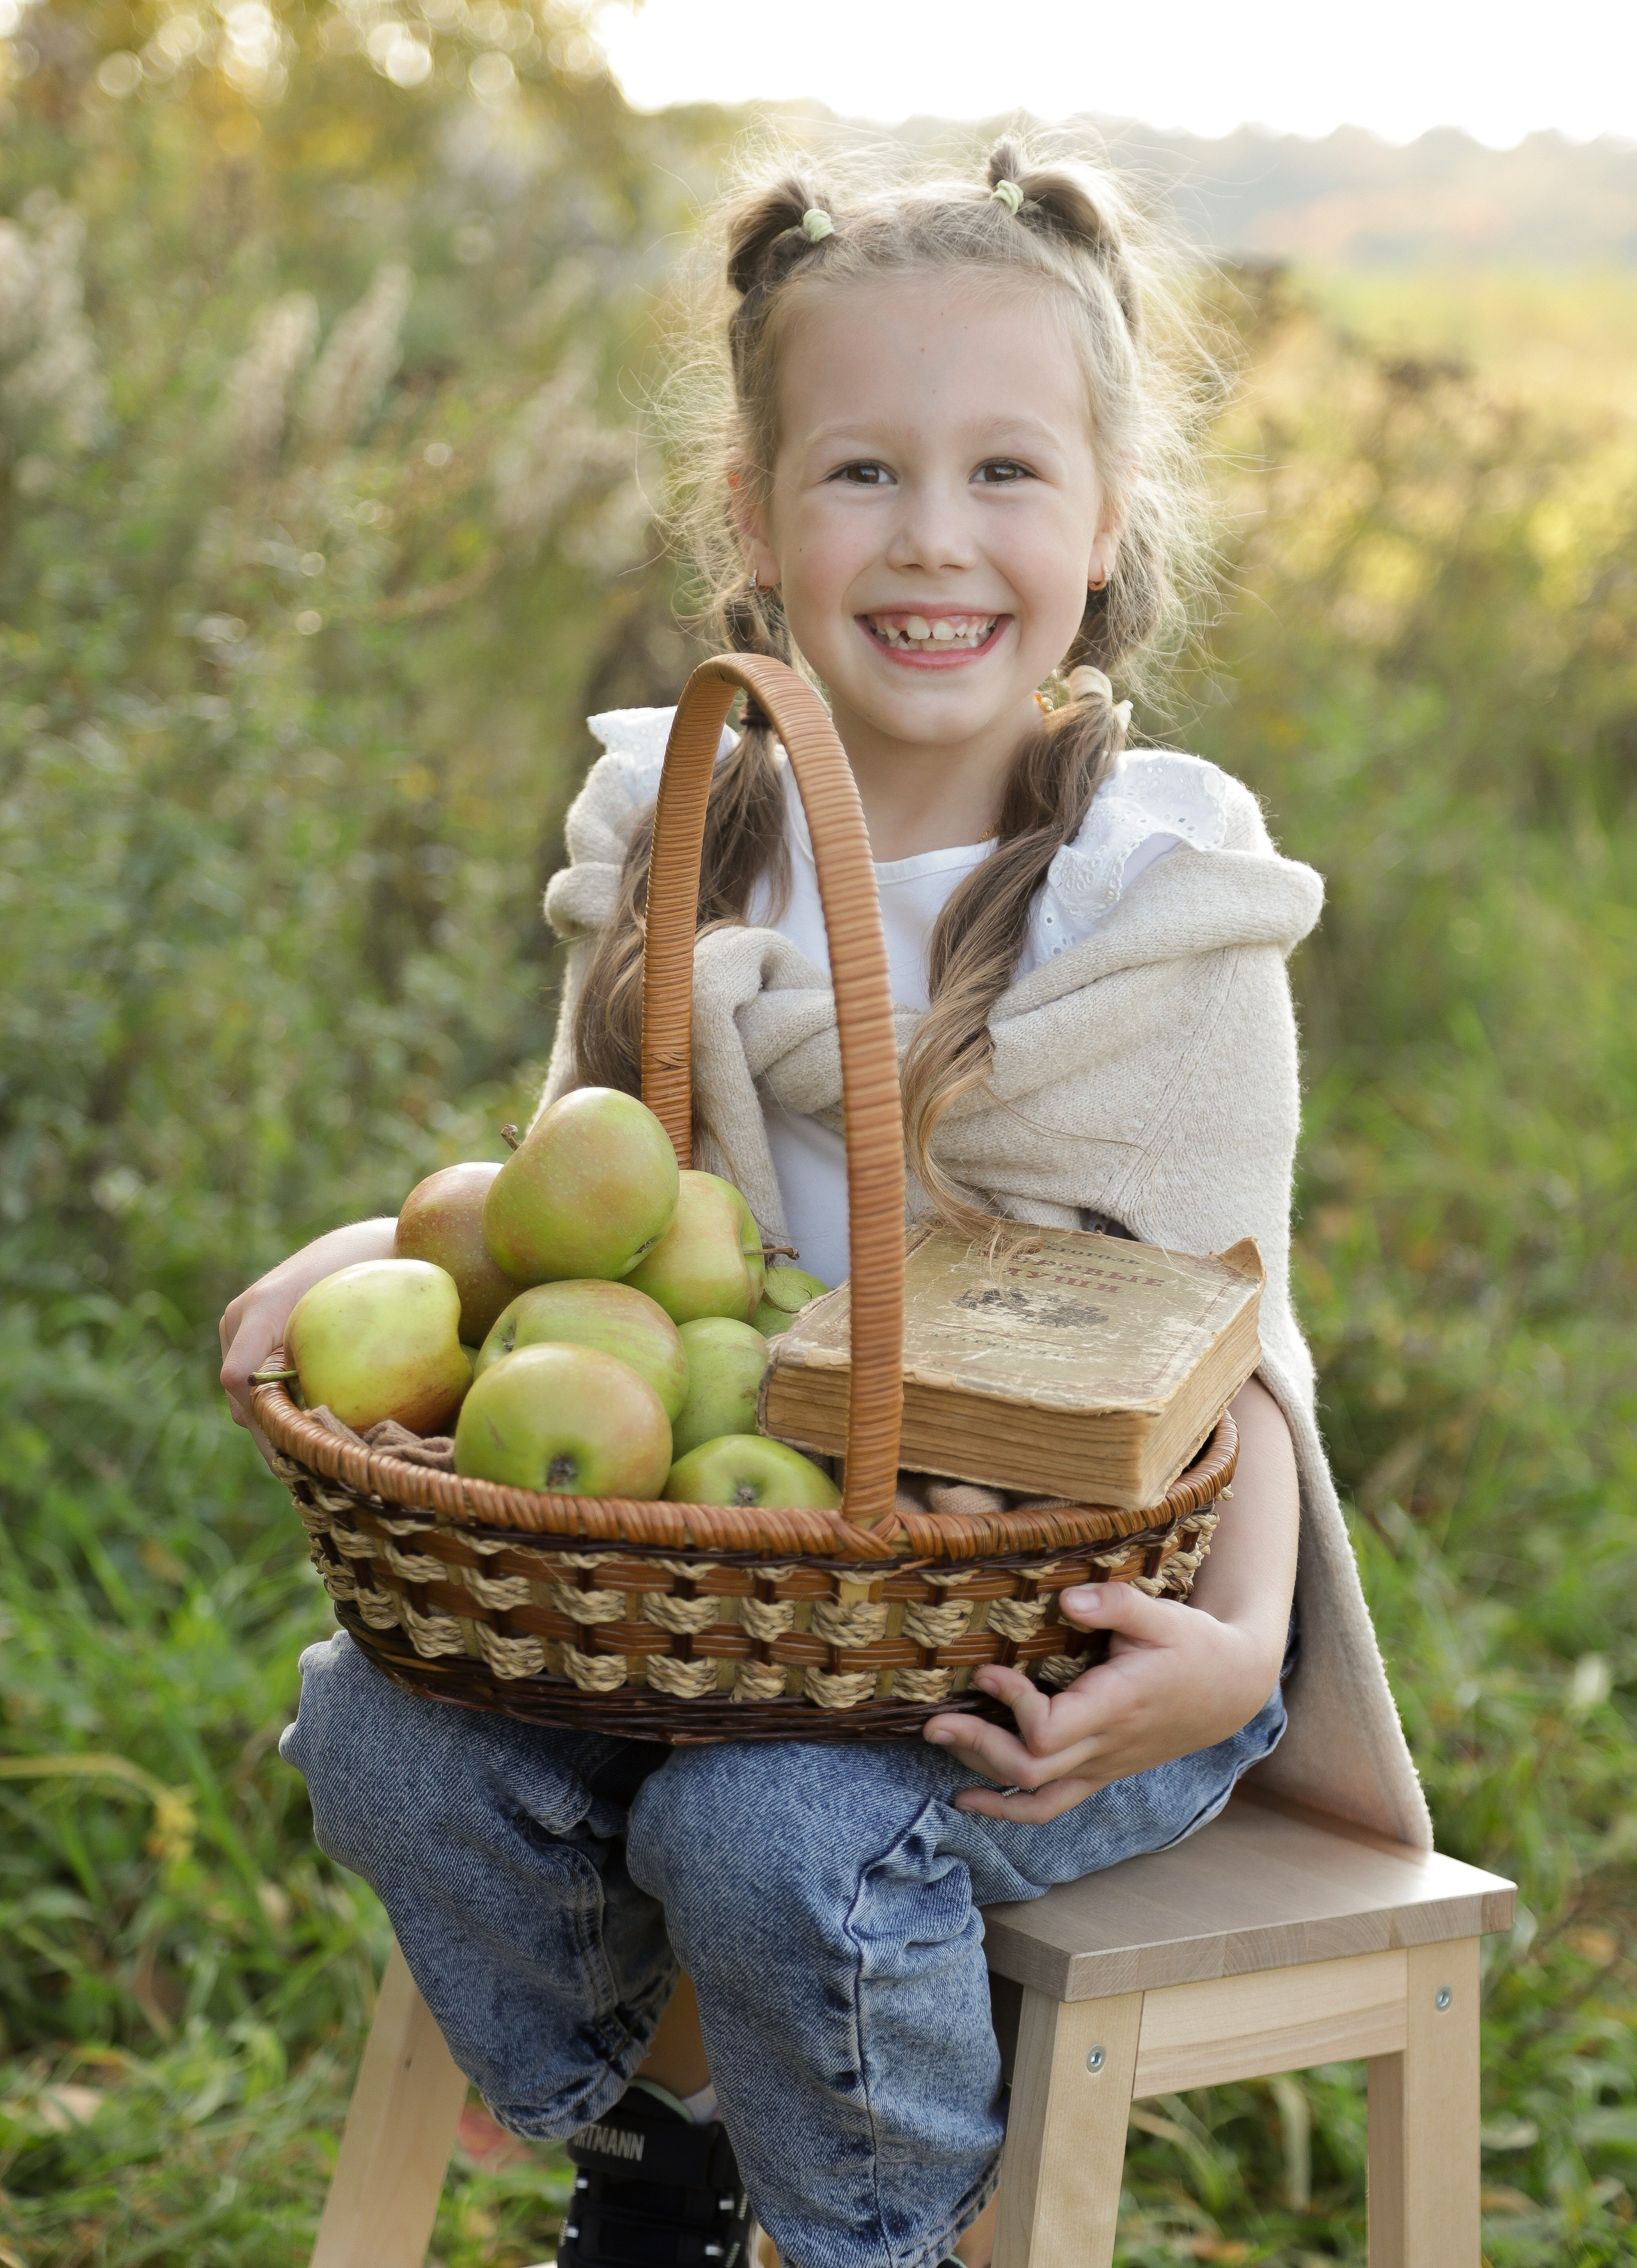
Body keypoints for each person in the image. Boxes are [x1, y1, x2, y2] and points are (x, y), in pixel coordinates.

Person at [220, 141, 1427, 2268]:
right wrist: (387, 1259)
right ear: (755, 524)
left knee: (767, 1819)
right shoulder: (687, 837)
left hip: (1041, 1637)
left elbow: (1228, 1342)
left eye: (1005, 475)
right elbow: (581, 1228)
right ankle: (652, 2148)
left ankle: (873, 2236)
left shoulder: (1152, 914)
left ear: (1105, 521)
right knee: (376, 1722)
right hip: (718, 1582)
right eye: (864, 472)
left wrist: (1228, 1648)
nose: (935, 538)